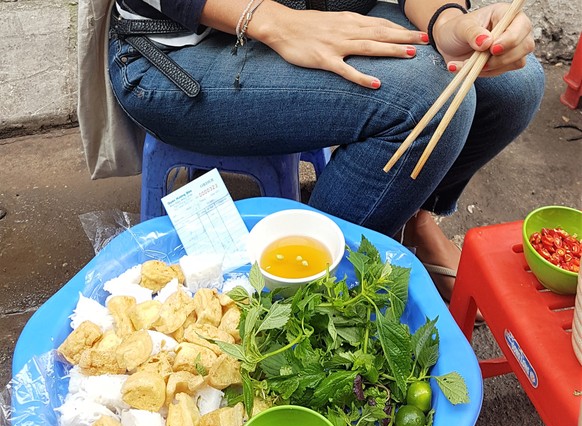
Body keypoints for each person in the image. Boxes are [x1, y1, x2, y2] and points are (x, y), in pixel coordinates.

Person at [107, 0, 544, 302]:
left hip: (312, 14)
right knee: (427, 100)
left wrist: (449, 23)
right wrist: (275, 21)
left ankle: (412, 215)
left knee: (511, 87)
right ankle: (304, 294)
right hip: (185, 45)